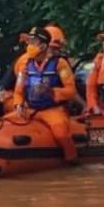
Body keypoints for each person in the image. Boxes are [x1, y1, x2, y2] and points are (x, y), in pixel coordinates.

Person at [15, 26, 79, 163]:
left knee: (61, 134)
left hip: (52, 109)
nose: (29, 45)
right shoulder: (25, 64)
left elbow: (71, 91)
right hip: (30, 108)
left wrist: (50, 91)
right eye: (29, 41)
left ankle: (72, 159)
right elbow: (18, 91)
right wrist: (18, 104)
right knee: (5, 121)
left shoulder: (59, 64)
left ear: (43, 46)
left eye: (33, 42)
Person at [0, 22, 68, 110]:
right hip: (18, 101)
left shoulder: (60, 62)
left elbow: (70, 90)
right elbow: (11, 89)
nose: (55, 52)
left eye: (57, 49)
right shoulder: (25, 62)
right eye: (53, 48)